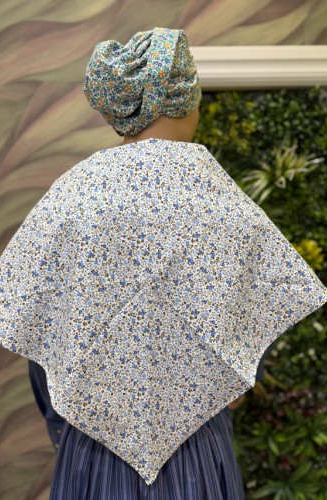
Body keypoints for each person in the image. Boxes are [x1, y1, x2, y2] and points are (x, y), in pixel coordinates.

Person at [46, 27, 246, 499]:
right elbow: (238, 365)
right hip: (195, 447)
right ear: (185, 100)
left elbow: (42, 341)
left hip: (91, 449)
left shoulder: (72, 194)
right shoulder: (218, 197)